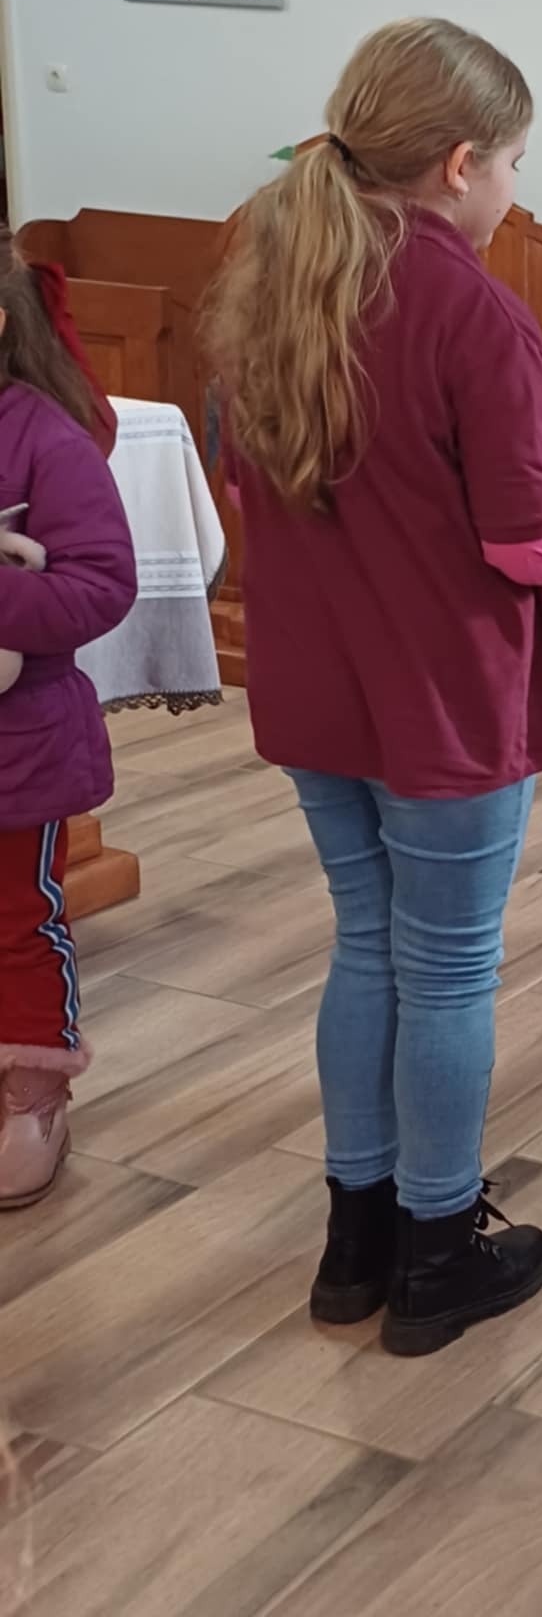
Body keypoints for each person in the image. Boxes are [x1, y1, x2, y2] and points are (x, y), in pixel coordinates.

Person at [204, 19, 542, 1355]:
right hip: (442, 697)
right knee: (450, 969)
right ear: (460, 163)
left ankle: (354, 1242)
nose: (515, 190)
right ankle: (436, 1249)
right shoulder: (472, 310)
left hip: (317, 684)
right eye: (515, 162)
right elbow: (527, 544)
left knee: (367, 943)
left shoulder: (268, 287)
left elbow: (248, 488)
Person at [0, 258, 135, 1209]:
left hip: (17, 750)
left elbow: (100, 585)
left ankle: (31, 1092)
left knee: (15, 921)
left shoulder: (44, 437)